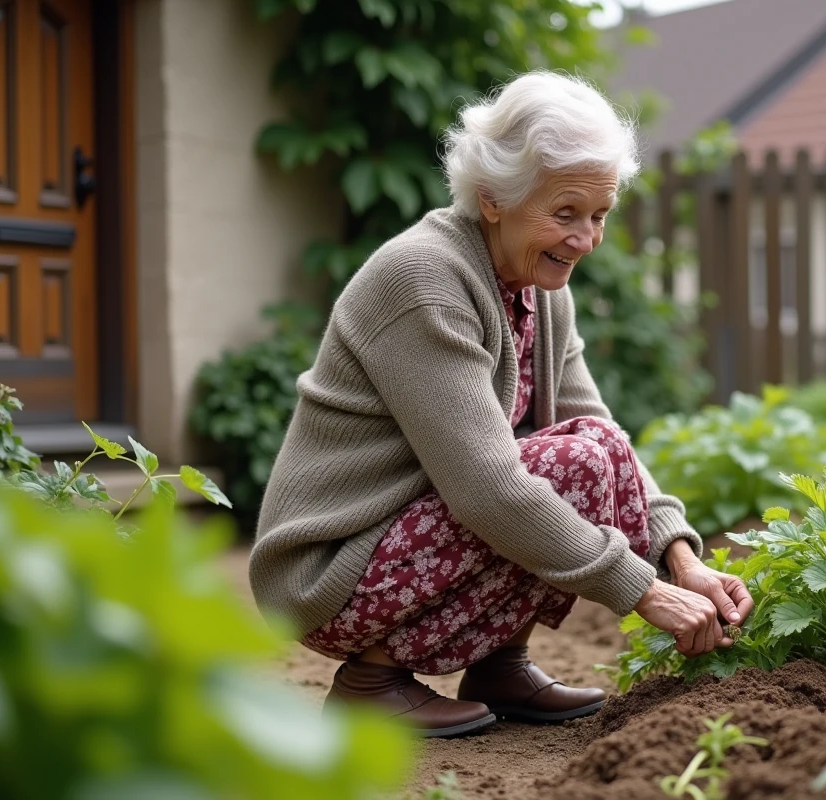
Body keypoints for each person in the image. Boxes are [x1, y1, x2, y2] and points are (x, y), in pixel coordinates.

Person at [249, 71, 753, 738]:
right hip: (330, 572)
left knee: (594, 451)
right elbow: (486, 489)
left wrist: (683, 561)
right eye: (565, 213)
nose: (586, 239)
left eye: (599, 215)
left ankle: (497, 664)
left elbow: (604, 434)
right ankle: (370, 680)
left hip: (410, 539)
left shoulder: (543, 288)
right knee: (572, 467)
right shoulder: (422, 279)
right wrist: (645, 591)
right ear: (493, 198)